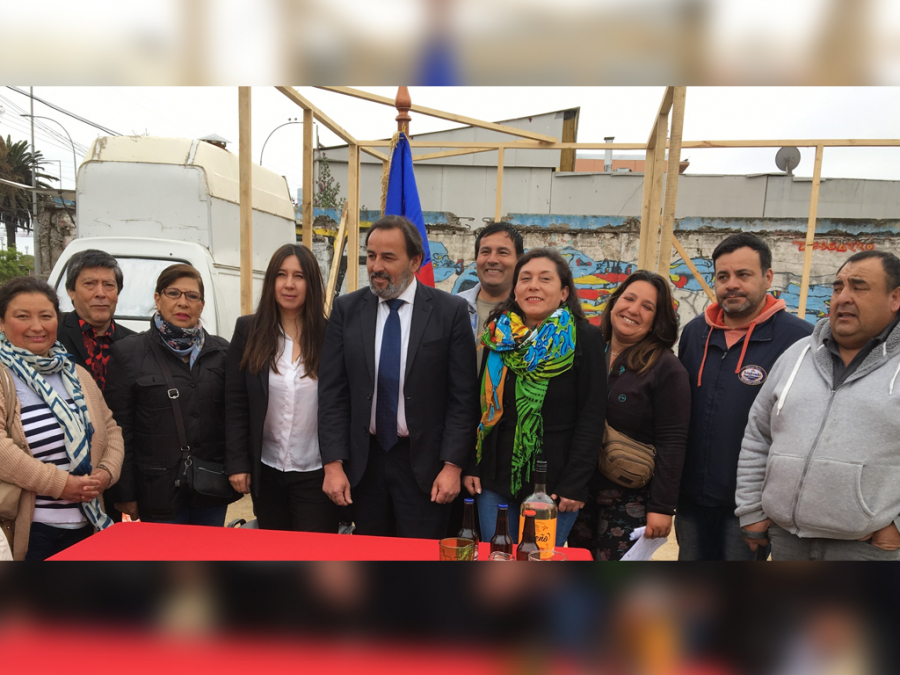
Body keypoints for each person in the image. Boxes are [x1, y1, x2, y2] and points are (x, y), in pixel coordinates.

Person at [318, 215, 479, 539]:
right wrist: (333, 464)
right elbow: (333, 393)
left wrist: (452, 466)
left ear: (415, 261)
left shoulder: (450, 313)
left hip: (425, 467)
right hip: (365, 465)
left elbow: (463, 398)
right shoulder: (346, 310)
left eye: (388, 257)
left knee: (420, 567)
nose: (376, 266)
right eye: (371, 256)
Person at [736, 250, 900, 561]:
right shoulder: (797, 355)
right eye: (838, 288)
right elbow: (758, 434)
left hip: (865, 548)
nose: (843, 298)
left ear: (895, 298)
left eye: (859, 287)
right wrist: (752, 510)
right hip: (786, 542)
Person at [676, 233, 812, 560]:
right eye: (723, 276)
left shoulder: (799, 340)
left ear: (767, 277)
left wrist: (764, 508)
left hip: (751, 506)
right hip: (691, 499)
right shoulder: (695, 333)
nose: (731, 284)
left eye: (743, 275)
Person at [463, 247, 606, 547]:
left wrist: (575, 484)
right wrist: (472, 466)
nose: (533, 286)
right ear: (515, 290)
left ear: (564, 291)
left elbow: (591, 416)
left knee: (538, 567)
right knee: (498, 559)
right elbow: (480, 406)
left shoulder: (585, 339)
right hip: (493, 477)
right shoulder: (499, 335)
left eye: (545, 279)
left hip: (553, 483)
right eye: (525, 278)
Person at [0, 277, 123, 560]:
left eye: (46, 316)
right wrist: (61, 484)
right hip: (29, 531)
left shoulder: (74, 373)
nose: (37, 326)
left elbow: (111, 429)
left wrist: (105, 473)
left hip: (86, 524)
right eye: (22, 316)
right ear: (2, 323)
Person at [105, 264, 234, 526]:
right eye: (173, 293)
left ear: (202, 304)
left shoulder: (221, 352)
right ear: (158, 298)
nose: (182, 303)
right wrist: (125, 492)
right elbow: (119, 430)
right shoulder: (128, 353)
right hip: (156, 490)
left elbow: (234, 418)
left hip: (209, 487)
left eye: (192, 296)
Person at [225, 244, 339, 533]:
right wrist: (239, 463)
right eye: (281, 275)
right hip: (267, 470)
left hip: (316, 472)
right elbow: (236, 402)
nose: (289, 284)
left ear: (311, 283)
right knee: (273, 554)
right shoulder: (248, 331)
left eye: (299, 276)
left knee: (314, 558)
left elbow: (341, 405)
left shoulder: (331, 336)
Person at [588, 270, 691, 561]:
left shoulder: (666, 368)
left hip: (628, 502)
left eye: (647, 307)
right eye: (628, 298)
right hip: (578, 494)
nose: (633, 309)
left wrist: (661, 507)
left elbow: (673, 441)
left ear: (657, 321)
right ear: (615, 302)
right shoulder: (587, 350)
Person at [57, 248, 136, 523]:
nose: (100, 293)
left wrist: (127, 486)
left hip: (115, 471)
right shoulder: (49, 336)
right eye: (90, 284)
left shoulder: (135, 345)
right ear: (71, 290)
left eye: (109, 285)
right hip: (58, 478)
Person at [458, 222, 525, 369]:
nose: (492, 260)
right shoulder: (453, 308)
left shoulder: (529, 312)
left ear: (519, 261)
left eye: (502, 252)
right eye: (485, 252)